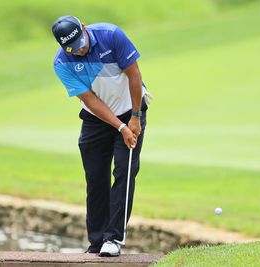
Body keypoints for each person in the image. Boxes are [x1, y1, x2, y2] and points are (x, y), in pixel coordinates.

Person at [51, 16, 150, 256]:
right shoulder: (62, 63)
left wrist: (134, 118)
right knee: (95, 178)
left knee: (124, 172)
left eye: (81, 42)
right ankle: (96, 242)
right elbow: (90, 101)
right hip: (97, 119)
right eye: (73, 48)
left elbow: (134, 75)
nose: (80, 49)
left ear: (84, 29)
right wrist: (119, 127)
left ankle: (113, 239)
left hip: (131, 109)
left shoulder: (111, 35)